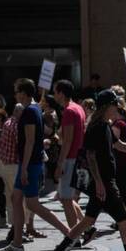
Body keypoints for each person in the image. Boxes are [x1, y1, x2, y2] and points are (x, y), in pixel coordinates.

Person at [44, 89, 126, 251]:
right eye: (115, 104)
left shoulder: (106, 125)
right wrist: (98, 182)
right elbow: (90, 156)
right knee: (123, 219)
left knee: (88, 220)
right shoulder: (96, 127)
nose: (118, 107)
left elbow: (119, 145)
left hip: (105, 180)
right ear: (107, 106)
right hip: (104, 182)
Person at [0, 79, 71, 251]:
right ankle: (16, 243)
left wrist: (23, 168)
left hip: (30, 164)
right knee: (16, 198)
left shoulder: (30, 111)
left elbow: (30, 141)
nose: (14, 94)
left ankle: (70, 234)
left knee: (32, 204)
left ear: (23, 93)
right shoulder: (33, 109)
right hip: (29, 163)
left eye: (16, 91)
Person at [52, 80, 85, 233]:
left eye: (55, 92)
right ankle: (87, 228)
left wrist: (60, 164)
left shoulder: (69, 111)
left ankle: (74, 236)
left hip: (70, 158)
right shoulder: (77, 108)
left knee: (65, 199)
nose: (54, 95)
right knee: (69, 198)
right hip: (76, 157)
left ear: (61, 93)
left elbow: (68, 141)